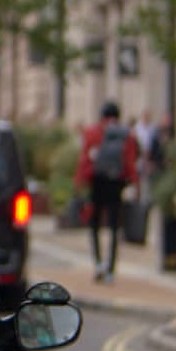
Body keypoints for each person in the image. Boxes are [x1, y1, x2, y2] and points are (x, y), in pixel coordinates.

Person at [76, 99, 138, 283]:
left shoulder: (92, 133)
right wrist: (134, 183)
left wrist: (80, 183)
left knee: (94, 225)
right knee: (114, 227)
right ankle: (111, 267)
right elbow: (130, 162)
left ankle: (98, 263)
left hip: (96, 183)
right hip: (116, 183)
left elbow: (84, 160)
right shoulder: (126, 135)